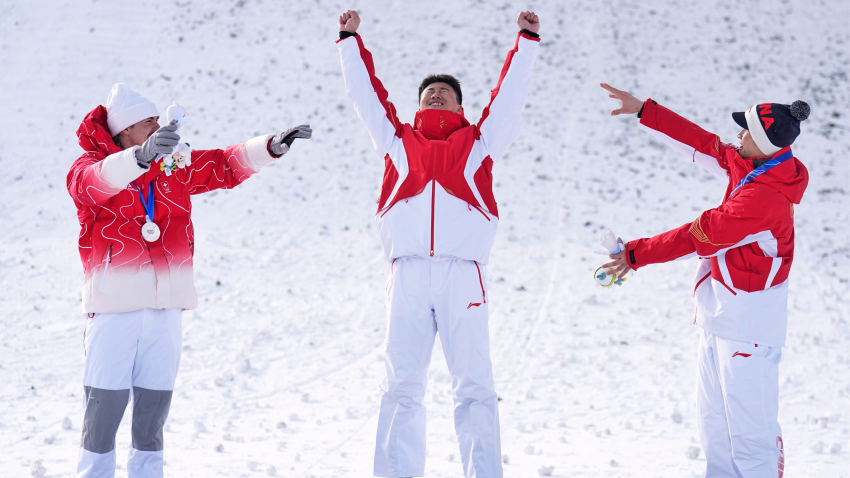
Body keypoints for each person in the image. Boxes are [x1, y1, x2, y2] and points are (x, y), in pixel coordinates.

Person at [67, 83, 311, 478]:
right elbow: (98, 181)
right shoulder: (87, 168)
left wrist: (269, 147)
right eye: (149, 122)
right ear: (125, 130)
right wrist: (140, 158)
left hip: (165, 308)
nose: (158, 127)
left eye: (158, 120)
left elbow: (223, 165)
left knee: (153, 412)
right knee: (103, 411)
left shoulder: (173, 166)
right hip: (114, 309)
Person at [336, 9, 540, 478]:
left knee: (474, 387)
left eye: (445, 92)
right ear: (419, 105)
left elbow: (508, 100)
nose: (436, 94)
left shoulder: (479, 143)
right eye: (429, 92)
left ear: (460, 107)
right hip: (407, 273)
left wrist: (525, 42)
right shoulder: (396, 140)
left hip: (461, 275)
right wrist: (349, 42)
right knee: (401, 386)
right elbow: (367, 98)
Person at [600, 82, 810, 477]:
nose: (737, 135)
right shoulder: (754, 165)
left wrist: (634, 254)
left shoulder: (763, 200)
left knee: (750, 436)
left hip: (749, 327)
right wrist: (645, 110)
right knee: (714, 428)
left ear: (764, 145)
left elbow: (700, 233)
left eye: (745, 130)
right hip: (719, 317)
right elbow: (705, 144)